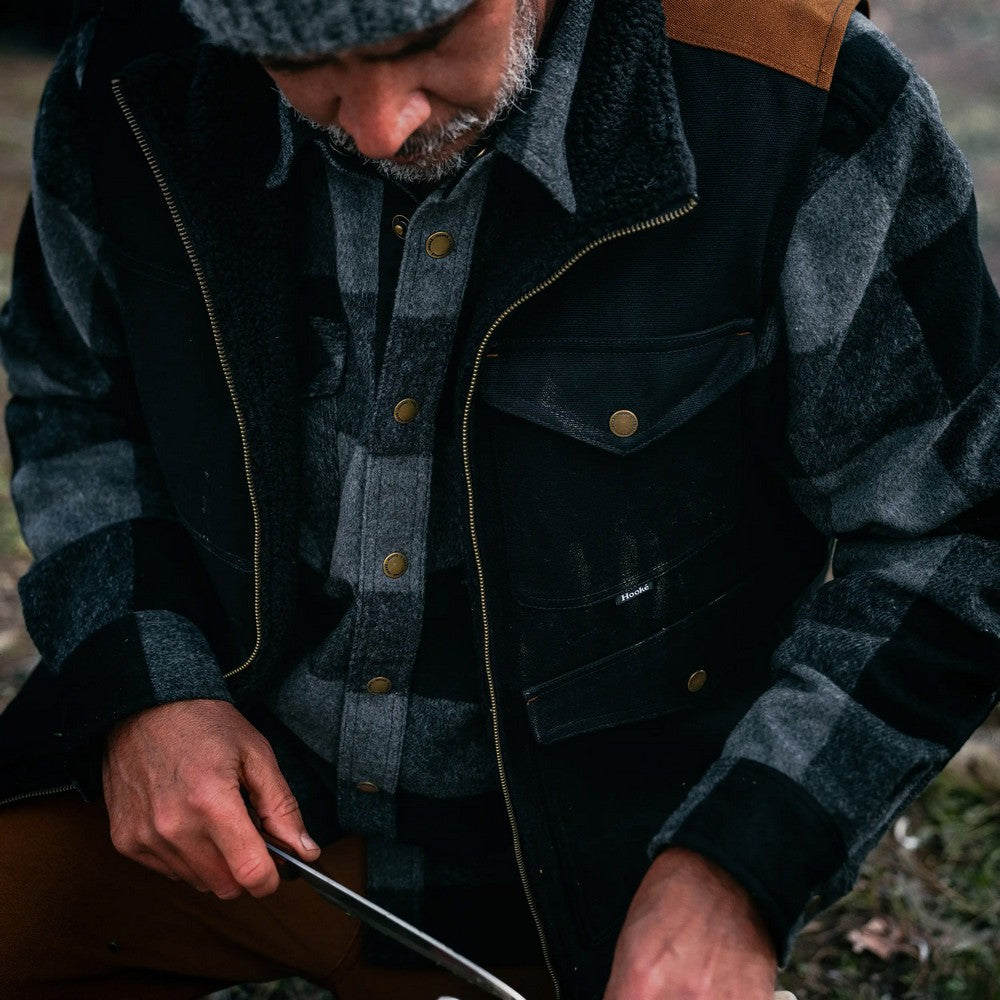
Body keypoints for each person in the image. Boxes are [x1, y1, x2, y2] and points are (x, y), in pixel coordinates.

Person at [0, 0, 998, 997]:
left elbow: (950, 534)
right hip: (214, 820)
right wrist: (145, 688)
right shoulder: (129, 70)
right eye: (302, 63)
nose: (381, 126)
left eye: (425, 44)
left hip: (582, 883)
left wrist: (737, 865)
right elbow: (74, 394)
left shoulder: (803, 100)